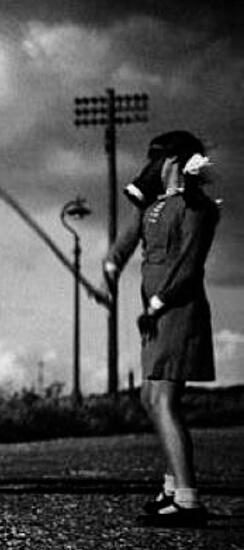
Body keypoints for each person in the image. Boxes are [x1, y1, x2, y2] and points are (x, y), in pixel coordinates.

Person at [103, 130, 221, 527]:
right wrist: (112, 265)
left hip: (177, 311)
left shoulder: (196, 207)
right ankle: (171, 490)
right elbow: (130, 236)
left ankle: (188, 501)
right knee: (151, 397)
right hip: (154, 315)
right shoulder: (155, 203)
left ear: (174, 161)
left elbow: (188, 266)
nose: (151, 164)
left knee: (165, 401)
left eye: (159, 158)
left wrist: (157, 303)